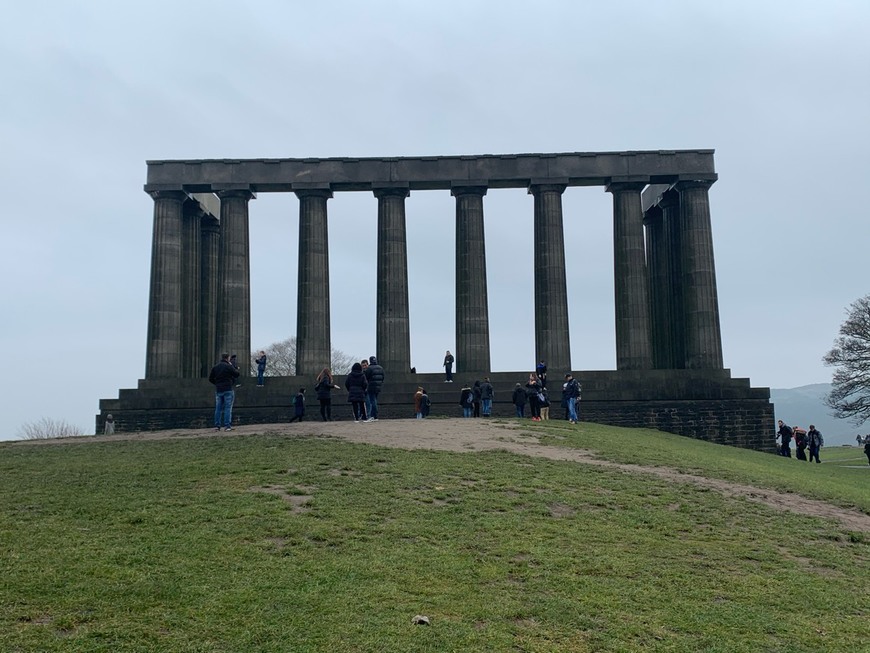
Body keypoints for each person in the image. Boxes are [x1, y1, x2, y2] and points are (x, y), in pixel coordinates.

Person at [209, 353, 240, 431]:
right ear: (228, 358)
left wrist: (217, 383)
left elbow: (210, 378)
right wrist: (232, 367)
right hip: (228, 389)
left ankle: (217, 426)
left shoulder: (215, 367)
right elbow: (237, 374)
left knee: (218, 408)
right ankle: (227, 426)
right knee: (228, 408)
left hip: (219, 389)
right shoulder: (228, 366)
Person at [364, 356, 385, 422]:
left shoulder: (369, 368)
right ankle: (375, 416)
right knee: (374, 399)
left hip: (371, 386)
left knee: (372, 401)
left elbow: (366, 377)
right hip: (378, 386)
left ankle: (372, 416)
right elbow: (383, 377)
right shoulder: (381, 368)